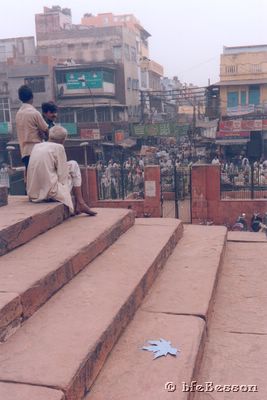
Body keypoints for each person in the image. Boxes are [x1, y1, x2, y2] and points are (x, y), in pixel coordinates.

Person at [27, 125, 97, 216]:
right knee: (74, 166)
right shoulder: (59, 147)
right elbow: (62, 176)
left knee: (72, 165)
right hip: (50, 193)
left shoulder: (37, 146)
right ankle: (80, 203)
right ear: (63, 140)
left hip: (33, 193)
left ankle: (80, 203)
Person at [15, 85, 49, 170]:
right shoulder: (34, 113)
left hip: (25, 152)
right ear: (32, 97)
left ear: (20, 98)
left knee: (30, 179)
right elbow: (46, 130)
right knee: (40, 179)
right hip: (37, 151)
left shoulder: (18, 114)